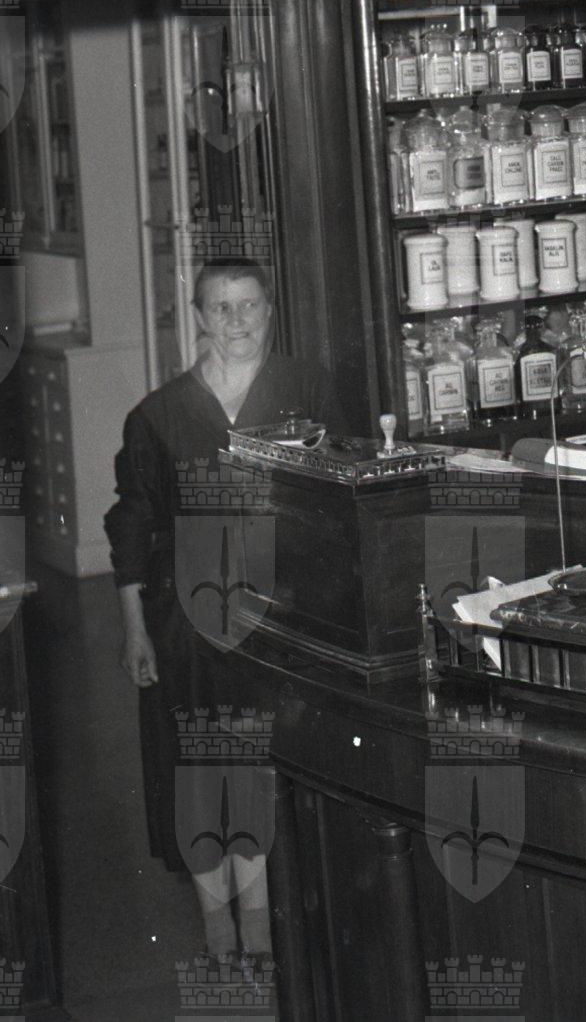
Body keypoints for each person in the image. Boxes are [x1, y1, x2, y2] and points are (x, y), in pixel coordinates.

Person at [105, 258, 342, 958]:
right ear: (200, 317)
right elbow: (132, 528)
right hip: (190, 618)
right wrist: (134, 628)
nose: (237, 321)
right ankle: (217, 918)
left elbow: (338, 497)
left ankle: (261, 916)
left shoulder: (307, 390)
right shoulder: (157, 416)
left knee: (262, 761)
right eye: (221, 307)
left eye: (250, 305)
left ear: (270, 310)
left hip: (283, 614)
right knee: (201, 765)